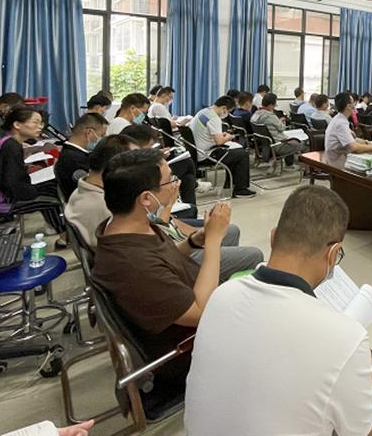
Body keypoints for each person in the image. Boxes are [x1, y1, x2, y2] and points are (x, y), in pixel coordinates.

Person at [184, 185, 372, 436]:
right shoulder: (346, 337)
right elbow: (368, 431)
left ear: (273, 237)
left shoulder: (221, 296)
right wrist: (366, 367)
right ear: (333, 254)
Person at [94, 150, 255, 396]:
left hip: (193, 302)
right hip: (191, 350)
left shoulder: (129, 226)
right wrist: (213, 240)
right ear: (146, 198)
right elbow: (200, 313)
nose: (175, 184)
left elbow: (165, 259)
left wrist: (194, 241)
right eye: (170, 180)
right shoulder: (133, 264)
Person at [67, 138, 261, 270]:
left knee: (229, 231)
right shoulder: (106, 211)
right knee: (253, 254)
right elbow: (160, 235)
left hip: (168, 250)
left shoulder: (93, 193)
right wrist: (209, 241)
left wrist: (196, 238)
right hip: (172, 262)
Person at [0, 107, 65, 234]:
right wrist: (34, 192)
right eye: (35, 122)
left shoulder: (5, 141)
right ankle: (62, 234)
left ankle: (55, 229)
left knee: (50, 187)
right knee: (51, 199)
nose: (40, 127)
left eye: (41, 123)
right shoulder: (11, 146)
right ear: (17, 125)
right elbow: (13, 183)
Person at [65, 134, 139, 246]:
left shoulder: (83, 189)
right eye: (136, 164)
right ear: (118, 167)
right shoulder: (105, 207)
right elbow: (133, 246)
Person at [189, 95, 255, 198]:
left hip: (197, 151)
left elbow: (210, 134)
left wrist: (221, 135)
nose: (227, 114)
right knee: (242, 154)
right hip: (207, 154)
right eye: (228, 111)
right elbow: (219, 141)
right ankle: (240, 189)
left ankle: (229, 185)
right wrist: (229, 137)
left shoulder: (203, 112)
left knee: (235, 153)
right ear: (224, 108)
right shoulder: (214, 118)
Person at [119, 123, 198, 205]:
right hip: (145, 181)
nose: (151, 149)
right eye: (150, 146)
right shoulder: (129, 162)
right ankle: (191, 202)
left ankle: (189, 207)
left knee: (188, 178)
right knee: (187, 163)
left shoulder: (126, 153)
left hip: (147, 176)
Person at [55, 113, 109, 197]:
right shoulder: (75, 160)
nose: (103, 139)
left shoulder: (71, 153)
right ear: (89, 133)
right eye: (102, 135)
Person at [250, 92, 306, 168]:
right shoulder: (270, 116)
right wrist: (281, 120)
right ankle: (291, 165)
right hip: (277, 146)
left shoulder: (256, 114)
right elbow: (281, 128)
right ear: (270, 105)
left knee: (290, 139)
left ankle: (289, 163)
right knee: (300, 143)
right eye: (275, 104)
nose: (275, 106)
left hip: (263, 145)